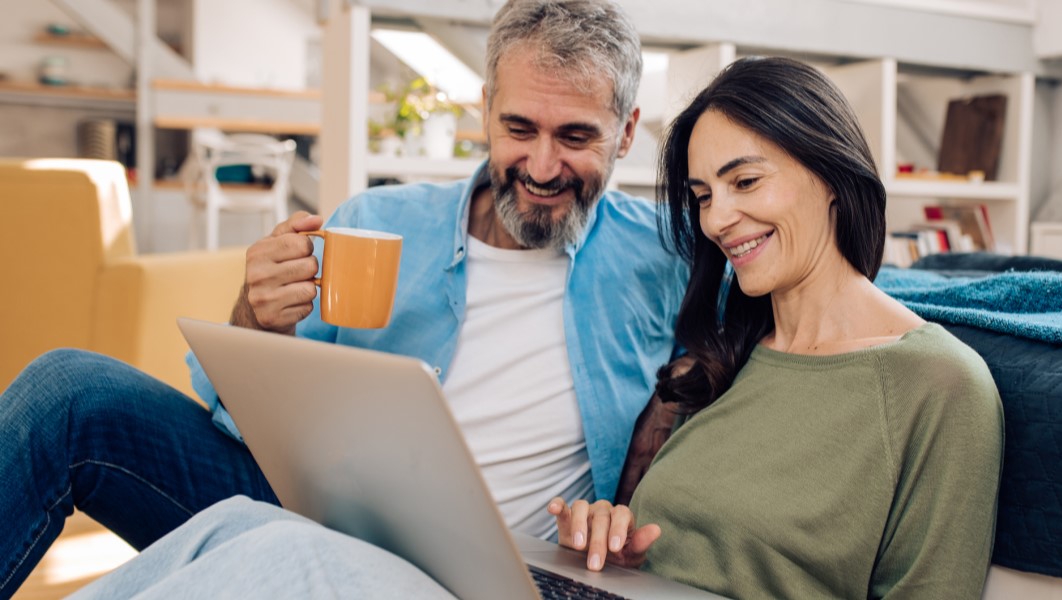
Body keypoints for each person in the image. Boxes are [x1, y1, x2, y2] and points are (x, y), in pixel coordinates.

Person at [71, 56, 1004, 599]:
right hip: (562, 585)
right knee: (235, 524)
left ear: (833, 171)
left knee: (283, 555)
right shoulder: (729, 346)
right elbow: (675, 527)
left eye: (746, 183)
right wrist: (610, 524)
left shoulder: (936, 387)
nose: (718, 221)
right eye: (703, 195)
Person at [0, 0, 688, 596]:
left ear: (626, 133)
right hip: (305, 506)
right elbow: (237, 421)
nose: (541, 167)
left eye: (575, 137)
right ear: (484, 109)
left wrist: (623, 510)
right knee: (68, 389)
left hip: (478, 570)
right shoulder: (381, 222)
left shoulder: (666, 261)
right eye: (518, 129)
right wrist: (257, 321)